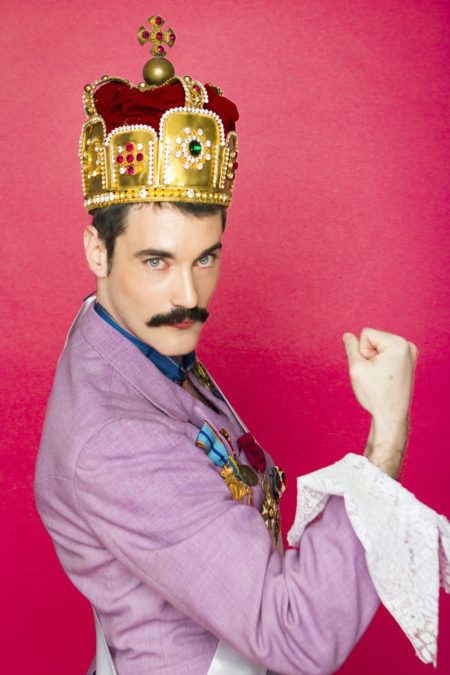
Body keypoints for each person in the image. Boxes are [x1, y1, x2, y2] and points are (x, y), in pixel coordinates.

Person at [35, 14, 447, 675]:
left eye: (206, 257)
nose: (188, 295)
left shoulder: (126, 335)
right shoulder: (117, 438)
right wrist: (388, 432)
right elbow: (297, 636)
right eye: (156, 261)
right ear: (97, 250)